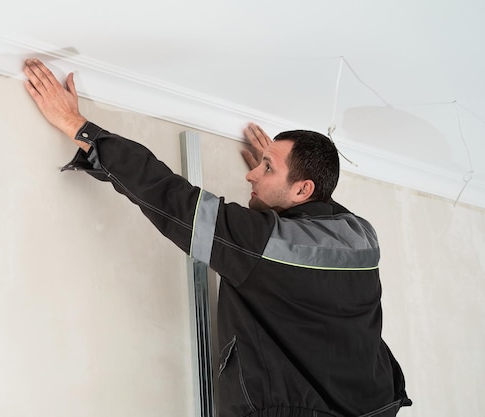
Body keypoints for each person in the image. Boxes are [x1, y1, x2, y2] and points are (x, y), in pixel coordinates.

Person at [23, 59, 412, 417]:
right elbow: (317, 203)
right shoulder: (362, 237)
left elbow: (172, 199)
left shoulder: (265, 244)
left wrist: (80, 128)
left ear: (302, 190)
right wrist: (283, 180)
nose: (250, 175)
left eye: (266, 168)